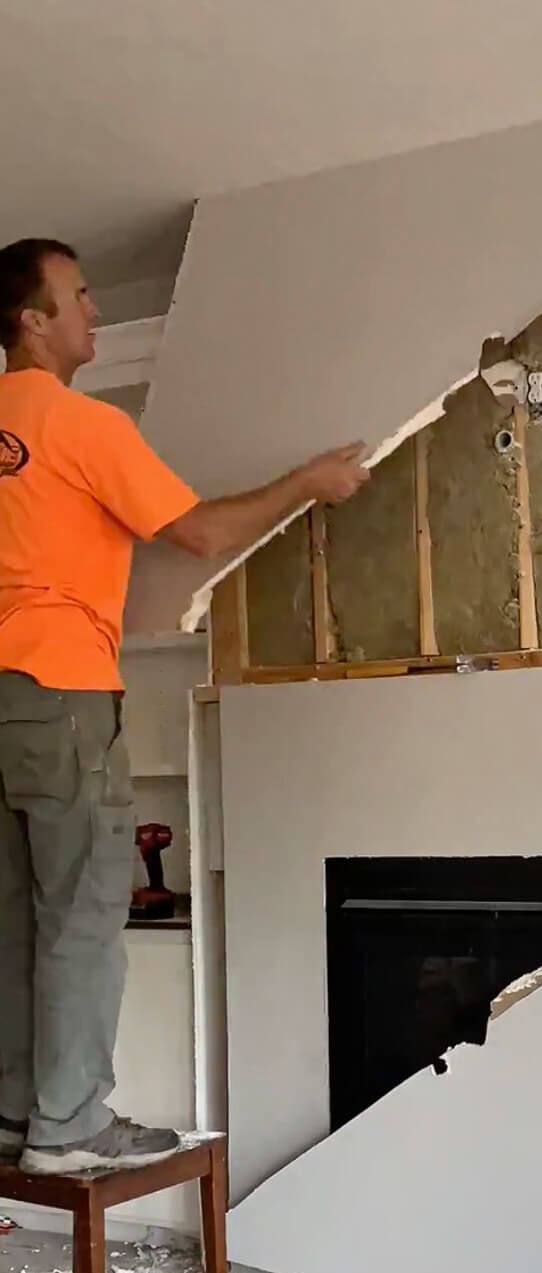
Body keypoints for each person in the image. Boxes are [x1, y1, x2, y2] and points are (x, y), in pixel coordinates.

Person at [0, 237, 369, 1175]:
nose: (96, 311)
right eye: (80, 296)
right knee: (82, 912)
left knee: (14, 916)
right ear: (33, 321)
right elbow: (198, 532)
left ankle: (15, 1116)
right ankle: (69, 1128)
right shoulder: (80, 424)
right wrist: (308, 483)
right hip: (58, 688)